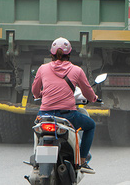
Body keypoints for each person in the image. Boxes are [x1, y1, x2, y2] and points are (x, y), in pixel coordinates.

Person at [32, 37, 97, 174]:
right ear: (69, 54)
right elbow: (87, 92)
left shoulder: (42, 69)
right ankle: (83, 160)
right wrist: (94, 98)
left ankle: (36, 158)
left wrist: (40, 95)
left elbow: (35, 91)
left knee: (37, 130)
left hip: (45, 115)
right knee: (90, 125)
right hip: (67, 115)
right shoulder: (76, 70)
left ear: (52, 53)